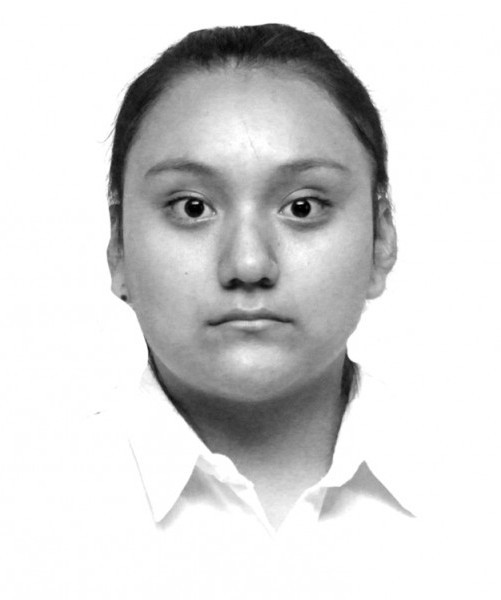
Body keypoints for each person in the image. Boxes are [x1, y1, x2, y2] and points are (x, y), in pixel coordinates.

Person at [44, 23, 447, 600]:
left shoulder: (480, 494)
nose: (249, 263)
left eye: (303, 207)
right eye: (192, 207)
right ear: (118, 247)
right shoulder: (30, 516)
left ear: (381, 239)